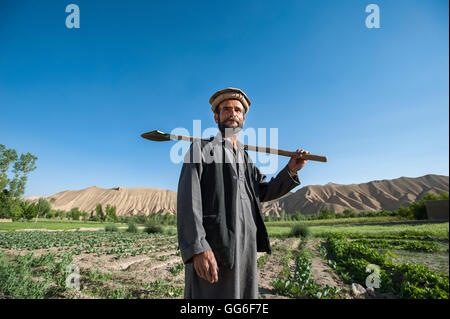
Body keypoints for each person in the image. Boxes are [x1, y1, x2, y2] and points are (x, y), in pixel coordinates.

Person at [177, 87, 310, 299]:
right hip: (215, 248)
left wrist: (291, 170)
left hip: (245, 250)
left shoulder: (246, 159)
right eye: (226, 109)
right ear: (216, 116)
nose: (232, 113)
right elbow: (187, 202)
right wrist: (198, 248)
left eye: (237, 110)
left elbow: (263, 191)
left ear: (243, 118)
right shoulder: (201, 150)